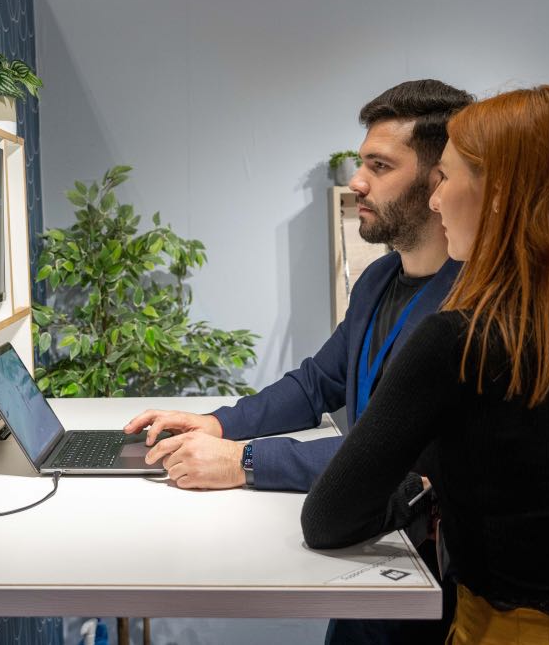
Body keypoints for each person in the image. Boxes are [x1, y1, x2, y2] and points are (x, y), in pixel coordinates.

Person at [301, 85, 549, 644]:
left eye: (445, 178)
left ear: (497, 196)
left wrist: (422, 492)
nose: (434, 199)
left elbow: (329, 518)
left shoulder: (456, 341)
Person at [126, 79, 472, 643]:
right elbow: (318, 382)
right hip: (360, 555)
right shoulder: (381, 278)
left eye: (380, 167)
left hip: (431, 578)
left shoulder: (474, 309)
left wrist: (245, 461)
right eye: (362, 163)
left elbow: (407, 453)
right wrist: (219, 423)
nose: (358, 181)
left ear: (438, 182)